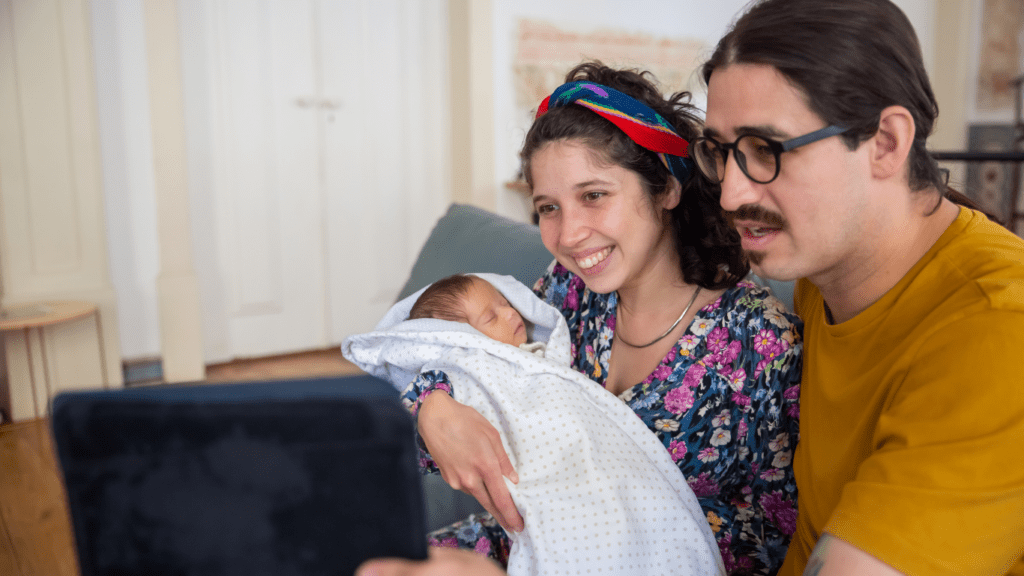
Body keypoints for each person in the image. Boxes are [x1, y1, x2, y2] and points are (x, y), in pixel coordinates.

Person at [359, 62, 803, 576]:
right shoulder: (568, 293)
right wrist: (433, 405)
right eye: (549, 207)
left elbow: (776, 530)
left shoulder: (759, 340)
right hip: (529, 540)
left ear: (666, 189)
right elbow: (460, 359)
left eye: (594, 196)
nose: (569, 235)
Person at [692, 1, 1024, 575]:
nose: (729, 193)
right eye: (722, 153)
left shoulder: (999, 329)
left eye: (766, 150)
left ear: (887, 142)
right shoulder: (826, 275)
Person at [343, 272, 725, 575]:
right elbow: (418, 421)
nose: (512, 315)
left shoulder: (539, 360)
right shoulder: (471, 369)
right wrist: (433, 403)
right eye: (492, 317)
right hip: (547, 510)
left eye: (507, 304)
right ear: (461, 339)